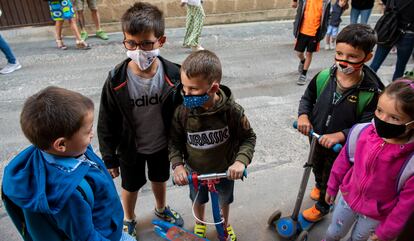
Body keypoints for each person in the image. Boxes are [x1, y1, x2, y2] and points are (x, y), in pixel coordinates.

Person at [2, 86, 134, 241]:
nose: (92, 134)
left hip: (108, 226)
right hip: (107, 236)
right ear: (61, 145)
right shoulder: (69, 195)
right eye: (88, 131)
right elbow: (86, 238)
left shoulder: (65, 149)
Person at [97, 2, 184, 238]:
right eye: (131, 43)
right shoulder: (116, 80)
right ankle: (129, 218)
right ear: (124, 41)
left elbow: (184, 115)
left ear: (161, 41)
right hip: (129, 149)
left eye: (146, 43)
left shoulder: (175, 76)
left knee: (160, 178)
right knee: (130, 185)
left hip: (160, 144)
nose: (139, 49)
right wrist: (109, 156)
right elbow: (106, 120)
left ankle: (161, 208)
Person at [296, 24, 384, 222]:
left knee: (333, 174)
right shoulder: (325, 76)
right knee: (315, 165)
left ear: (367, 57)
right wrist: (303, 116)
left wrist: (342, 135)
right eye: (339, 53)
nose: (343, 61)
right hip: (317, 137)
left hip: (342, 148)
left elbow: (367, 126)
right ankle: (320, 185)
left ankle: (323, 206)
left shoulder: (370, 92)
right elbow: (307, 98)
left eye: (352, 56)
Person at [170, 50, 256, 240]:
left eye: (193, 89)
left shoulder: (232, 111)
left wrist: (240, 162)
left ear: (214, 87)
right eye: (184, 87)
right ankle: (200, 222)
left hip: (225, 171)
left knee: (225, 200)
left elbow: (248, 138)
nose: (186, 93)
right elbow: (174, 142)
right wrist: (177, 166)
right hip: (194, 172)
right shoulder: (183, 113)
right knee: (198, 200)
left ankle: (224, 224)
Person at [324, 79, 414, 241]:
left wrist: (386, 232)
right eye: (379, 110)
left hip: (376, 215)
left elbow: (406, 205)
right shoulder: (361, 132)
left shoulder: (411, 163)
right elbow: (343, 161)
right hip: (348, 198)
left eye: (394, 117)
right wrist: (332, 186)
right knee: (333, 233)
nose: (382, 119)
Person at [370, 0, 414, 81]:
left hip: (389, 28)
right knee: (400, 67)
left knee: (375, 63)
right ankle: (394, 91)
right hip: (407, 32)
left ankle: (364, 85)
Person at [292, 0, 331, 85]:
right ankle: (303, 61)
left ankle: (304, 74)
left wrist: (323, 30)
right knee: (299, 53)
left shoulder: (326, 2)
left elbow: (328, 16)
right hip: (302, 31)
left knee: (309, 53)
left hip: (315, 33)